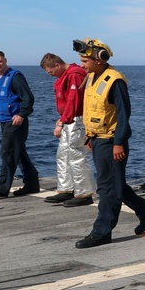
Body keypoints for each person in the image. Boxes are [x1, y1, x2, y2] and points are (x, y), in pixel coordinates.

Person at [72, 38, 145, 248]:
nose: (82, 65)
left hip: (111, 142)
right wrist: (90, 136)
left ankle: (102, 232)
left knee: (107, 188)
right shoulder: (92, 77)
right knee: (114, 184)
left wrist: (119, 142)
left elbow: (123, 114)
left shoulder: (115, 81)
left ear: (99, 59)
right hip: (98, 140)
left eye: (85, 60)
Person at [39, 53, 96, 207]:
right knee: (63, 155)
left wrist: (63, 120)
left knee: (78, 156)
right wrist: (63, 119)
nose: (51, 76)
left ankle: (84, 192)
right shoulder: (66, 76)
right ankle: (67, 189)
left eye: (51, 72)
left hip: (76, 121)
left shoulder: (75, 75)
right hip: (68, 120)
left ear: (57, 65)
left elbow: (74, 100)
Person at [0, 51, 40, 198]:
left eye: (0, 61)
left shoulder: (15, 77)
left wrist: (21, 114)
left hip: (15, 122)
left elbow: (28, 97)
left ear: (5, 60)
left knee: (7, 152)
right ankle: (32, 184)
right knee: (18, 153)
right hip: (4, 121)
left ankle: (2, 188)